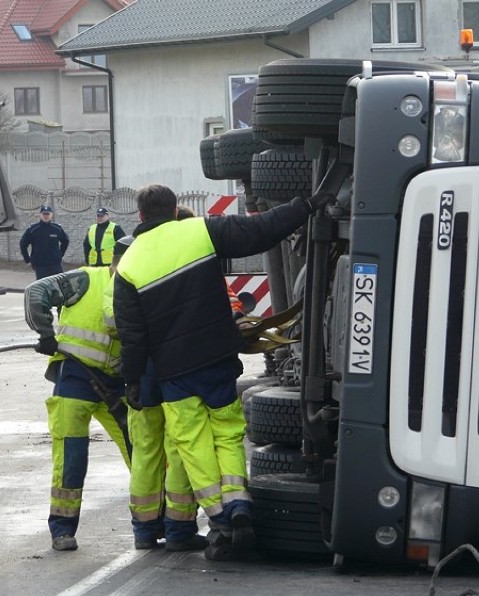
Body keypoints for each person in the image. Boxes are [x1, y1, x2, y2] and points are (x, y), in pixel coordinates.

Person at [112, 184, 335, 561]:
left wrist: (133, 380)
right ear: (172, 208)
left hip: (174, 373)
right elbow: (261, 229)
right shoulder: (201, 231)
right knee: (229, 434)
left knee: (192, 442)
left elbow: (133, 337)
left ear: (140, 216)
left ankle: (220, 516)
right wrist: (306, 205)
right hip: (216, 359)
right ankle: (240, 504)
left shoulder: (130, 265)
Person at [23, 236, 134, 551]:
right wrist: (45, 334)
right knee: (71, 456)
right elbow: (37, 291)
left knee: (141, 451)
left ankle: (154, 521)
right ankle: (62, 529)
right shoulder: (86, 279)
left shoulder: (136, 289)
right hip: (75, 377)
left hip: (115, 385)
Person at [19, 205, 69, 280]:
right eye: (44, 214)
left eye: (48, 214)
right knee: (43, 287)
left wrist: (60, 255)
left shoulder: (57, 229)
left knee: (60, 285)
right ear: (40, 215)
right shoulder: (33, 230)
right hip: (40, 265)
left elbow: (65, 241)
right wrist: (27, 260)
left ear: (51, 215)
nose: (46, 216)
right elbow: (23, 244)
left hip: (55, 264)